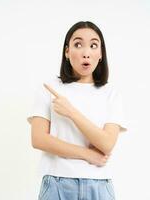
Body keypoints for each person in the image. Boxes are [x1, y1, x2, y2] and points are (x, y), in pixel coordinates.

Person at [27, 21, 129, 200]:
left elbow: (106, 144)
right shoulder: (49, 88)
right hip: (56, 184)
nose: (86, 53)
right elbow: (39, 139)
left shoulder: (111, 94)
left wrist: (71, 112)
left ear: (100, 54)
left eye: (93, 45)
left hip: (99, 186)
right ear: (67, 52)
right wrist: (87, 154)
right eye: (78, 44)